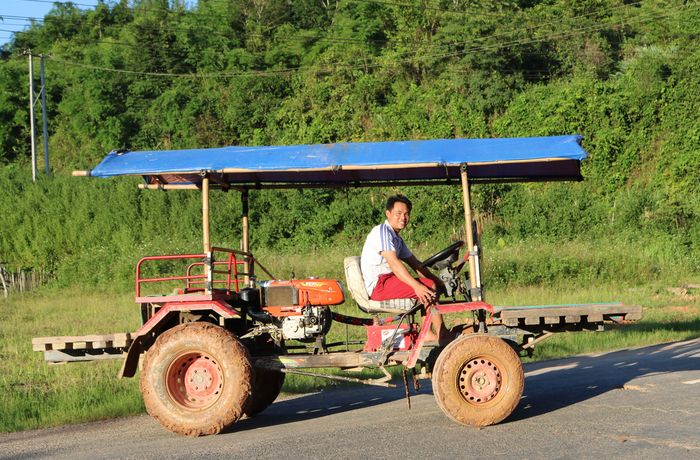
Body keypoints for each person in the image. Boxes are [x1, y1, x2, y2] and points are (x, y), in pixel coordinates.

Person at [361, 194, 451, 343]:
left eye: (406, 214)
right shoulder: (382, 232)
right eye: (398, 213)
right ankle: (442, 335)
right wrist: (417, 286)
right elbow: (395, 264)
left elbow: (415, 264)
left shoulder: (396, 238)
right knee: (427, 287)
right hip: (379, 285)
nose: (403, 218)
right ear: (388, 214)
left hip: (388, 280)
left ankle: (428, 332)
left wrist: (438, 281)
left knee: (429, 283)